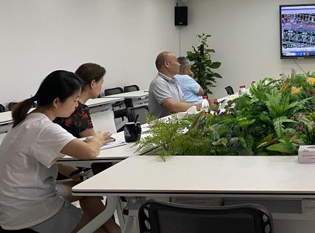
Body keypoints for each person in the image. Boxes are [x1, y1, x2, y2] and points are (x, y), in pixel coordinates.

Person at [0, 70, 120, 233]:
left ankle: (113, 229)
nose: (76, 105)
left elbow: (50, 159)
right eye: (74, 100)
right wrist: (96, 140)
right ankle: (111, 230)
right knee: (96, 215)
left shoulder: (26, 121)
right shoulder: (43, 127)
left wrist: (75, 173)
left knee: (85, 189)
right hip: (32, 211)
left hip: (12, 206)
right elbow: (90, 153)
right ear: (57, 102)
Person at [55, 62, 106, 138]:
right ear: (92, 83)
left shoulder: (66, 103)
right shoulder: (79, 110)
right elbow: (91, 140)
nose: (101, 86)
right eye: (101, 83)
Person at [148, 51, 204, 118]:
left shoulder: (174, 80)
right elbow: (172, 107)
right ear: (167, 64)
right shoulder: (159, 83)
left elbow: (183, 103)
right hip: (164, 123)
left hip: (177, 120)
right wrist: (201, 106)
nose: (179, 64)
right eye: (176, 61)